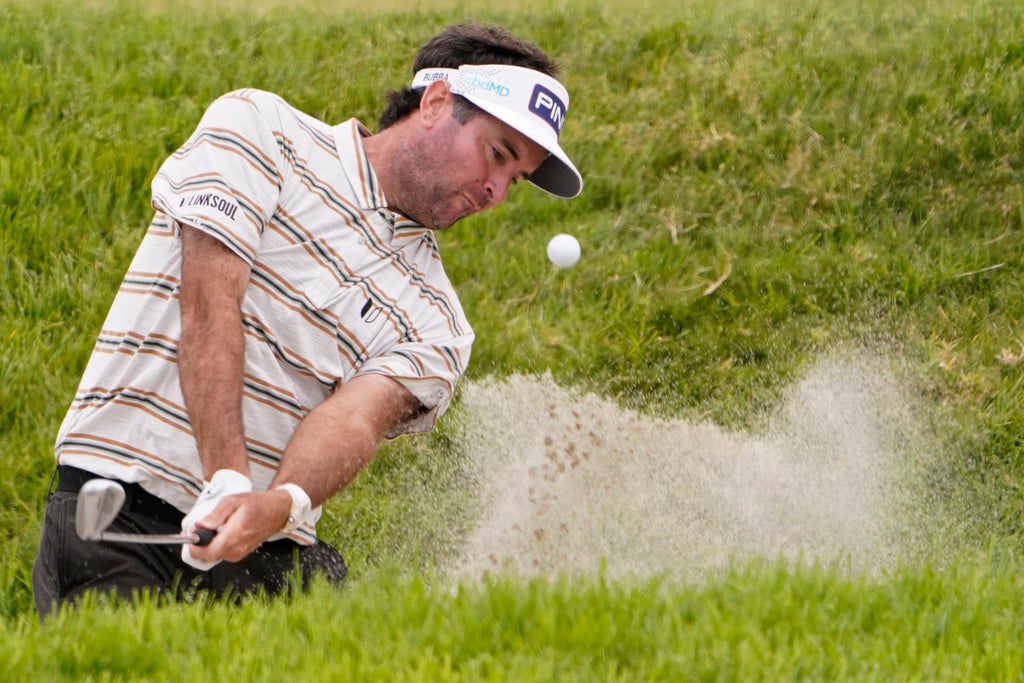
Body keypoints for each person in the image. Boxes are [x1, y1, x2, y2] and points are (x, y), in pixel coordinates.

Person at [32, 21, 582, 618]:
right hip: (124, 512)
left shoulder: (440, 322)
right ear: (436, 102)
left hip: (265, 549)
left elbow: (354, 419)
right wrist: (227, 479)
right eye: (497, 154)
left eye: (515, 179)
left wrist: (279, 504)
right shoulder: (262, 130)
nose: (497, 191)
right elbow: (209, 301)